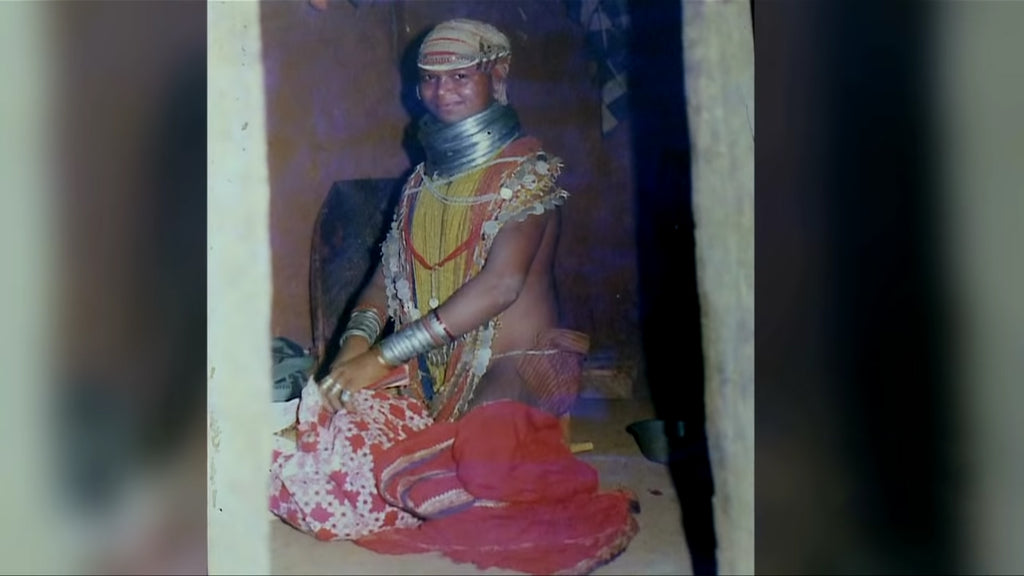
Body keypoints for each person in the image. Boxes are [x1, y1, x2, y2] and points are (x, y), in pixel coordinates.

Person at [270, 19, 637, 574]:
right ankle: (434, 474)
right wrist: (352, 350)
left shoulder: (529, 174)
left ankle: (493, 472)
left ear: (498, 74)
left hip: (520, 365)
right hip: (433, 372)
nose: (442, 92)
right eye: (429, 80)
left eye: (460, 76)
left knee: (480, 464)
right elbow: (382, 282)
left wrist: (382, 358)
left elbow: (501, 286)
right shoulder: (420, 183)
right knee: (333, 430)